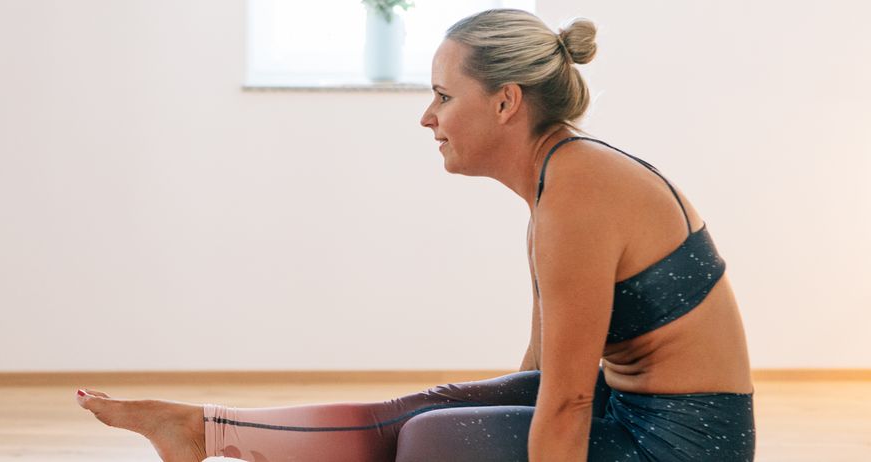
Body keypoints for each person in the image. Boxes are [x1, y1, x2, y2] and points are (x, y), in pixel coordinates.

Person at [75, 8, 756, 462]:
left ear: (506, 101)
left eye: (442, 95)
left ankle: (210, 432)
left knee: (432, 440)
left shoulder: (577, 194)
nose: (428, 118)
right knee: (426, 412)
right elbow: (543, 370)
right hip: (634, 410)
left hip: (684, 443)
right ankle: (207, 429)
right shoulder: (560, 180)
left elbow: (570, 399)